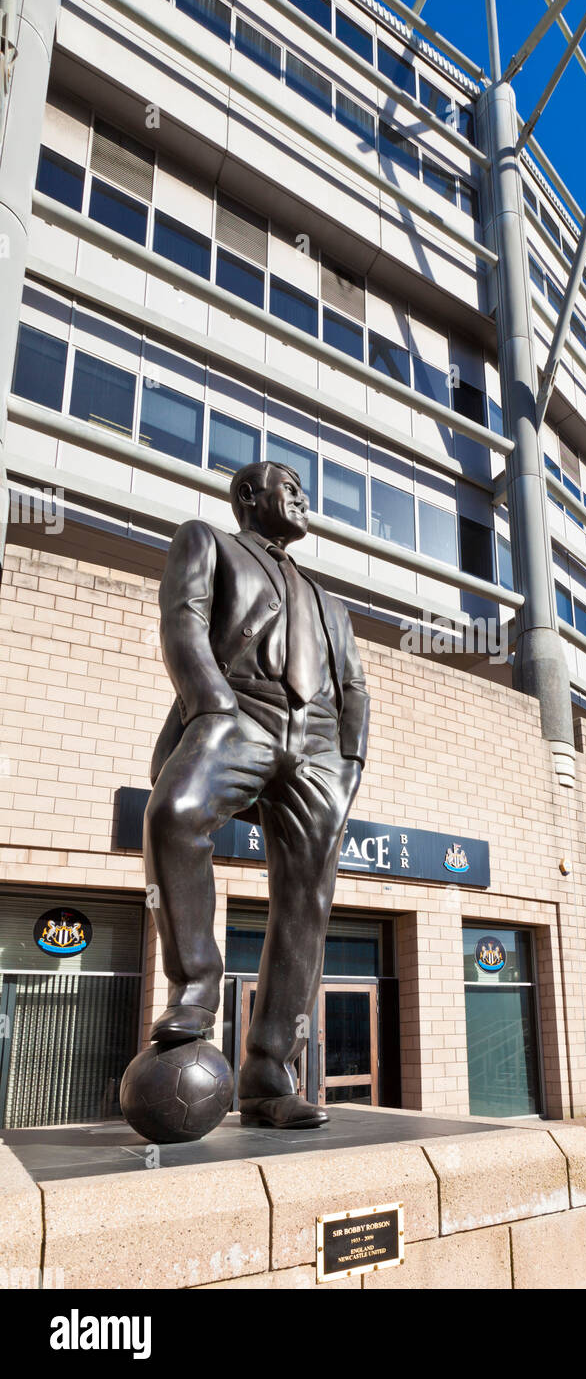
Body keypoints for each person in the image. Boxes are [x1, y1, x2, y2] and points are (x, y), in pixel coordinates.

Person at [143, 461, 369, 1128]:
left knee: (307, 896)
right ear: (249, 496)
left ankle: (272, 1075)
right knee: (175, 814)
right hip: (241, 711)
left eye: (304, 489)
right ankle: (195, 989)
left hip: (320, 743)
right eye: (287, 487)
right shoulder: (205, 541)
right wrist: (211, 706)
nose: (302, 497)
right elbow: (181, 623)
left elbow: (354, 685)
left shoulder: (331, 601)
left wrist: (349, 760)